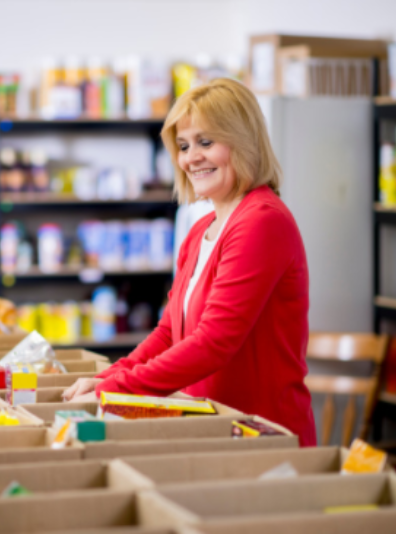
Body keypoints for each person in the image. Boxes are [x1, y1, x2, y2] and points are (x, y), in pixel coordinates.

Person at [63, 77, 316, 446]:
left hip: (263, 434)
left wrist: (117, 386)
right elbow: (169, 333)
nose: (191, 157)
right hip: (214, 427)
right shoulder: (201, 231)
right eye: (183, 146)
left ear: (243, 141)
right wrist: (111, 376)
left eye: (206, 142)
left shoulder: (262, 221)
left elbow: (214, 340)